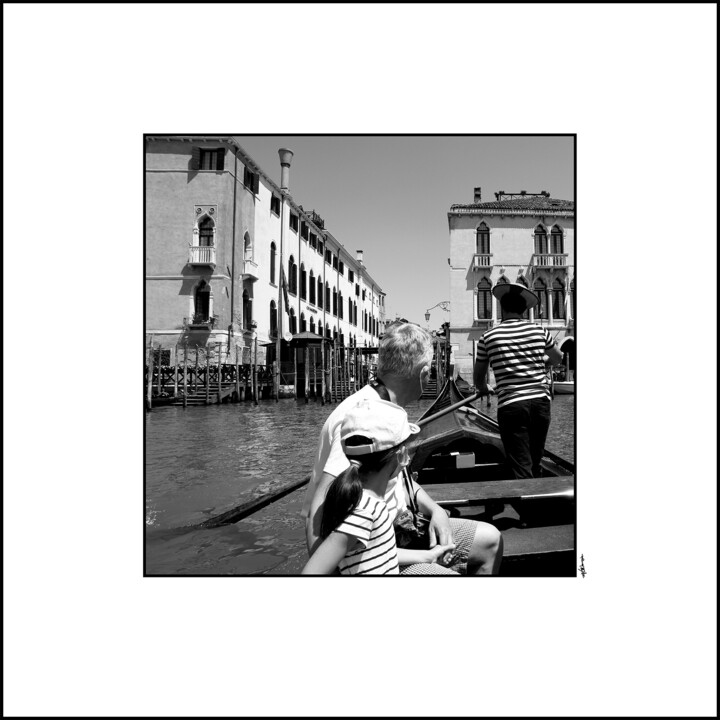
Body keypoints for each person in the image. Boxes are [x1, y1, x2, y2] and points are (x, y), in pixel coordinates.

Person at [302, 321, 503, 575]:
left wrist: (436, 510)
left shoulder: (388, 411)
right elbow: (316, 515)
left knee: (491, 541)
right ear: (424, 373)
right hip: (375, 551)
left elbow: (398, 481)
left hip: (404, 528)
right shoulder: (362, 418)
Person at [302, 398, 455, 575]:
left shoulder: (366, 503)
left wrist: (427, 556)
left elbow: (380, 552)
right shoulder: (365, 511)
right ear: (402, 456)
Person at [473, 283, 563, 479]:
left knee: (520, 464)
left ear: (502, 308)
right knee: (536, 458)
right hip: (540, 403)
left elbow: (478, 377)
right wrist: (544, 361)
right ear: (523, 310)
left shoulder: (488, 337)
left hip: (511, 405)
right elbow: (558, 358)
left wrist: (484, 388)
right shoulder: (540, 332)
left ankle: (529, 505)